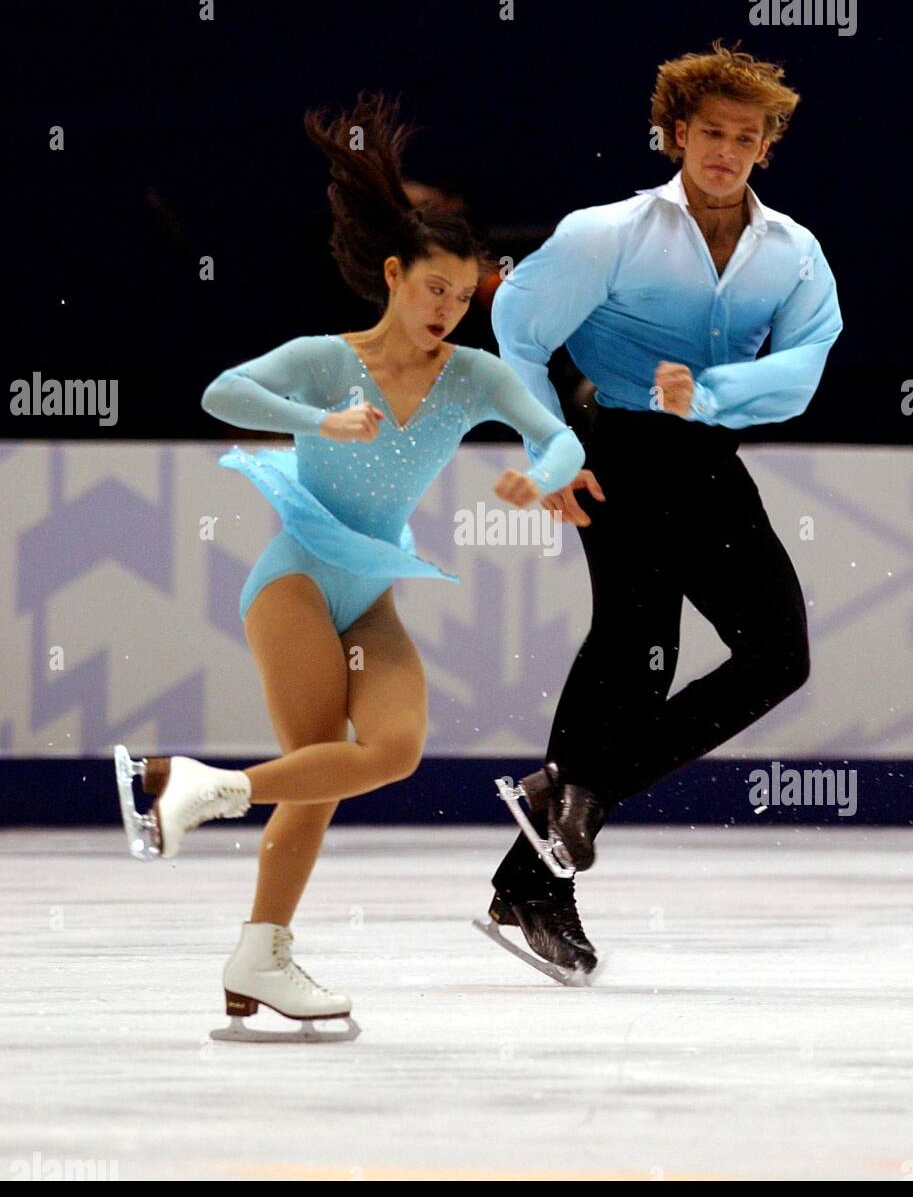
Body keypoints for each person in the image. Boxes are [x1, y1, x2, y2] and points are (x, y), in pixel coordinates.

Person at [114, 91, 585, 1037]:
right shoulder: (327, 361)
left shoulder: (475, 377)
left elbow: (559, 437)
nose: (447, 310)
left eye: (462, 294)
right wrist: (314, 419)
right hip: (293, 580)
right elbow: (218, 390)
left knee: (391, 752)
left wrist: (542, 476)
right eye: (432, 289)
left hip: (370, 594)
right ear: (393, 276)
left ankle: (207, 802)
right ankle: (263, 947)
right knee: (320, 777)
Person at [484, 39, 843, 980]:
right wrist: (550, 448)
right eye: (709, 132)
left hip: (703, 455)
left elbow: (804, 370)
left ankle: (576, 801)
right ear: (677, 134)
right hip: (617, 451)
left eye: (745, 136)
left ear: (767, 146)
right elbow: (516, 330)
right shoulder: (609, 234)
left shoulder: (793, 253)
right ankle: (543, 878)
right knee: (636, 647)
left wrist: (717, 396)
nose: (725, 150)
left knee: (778, 655)